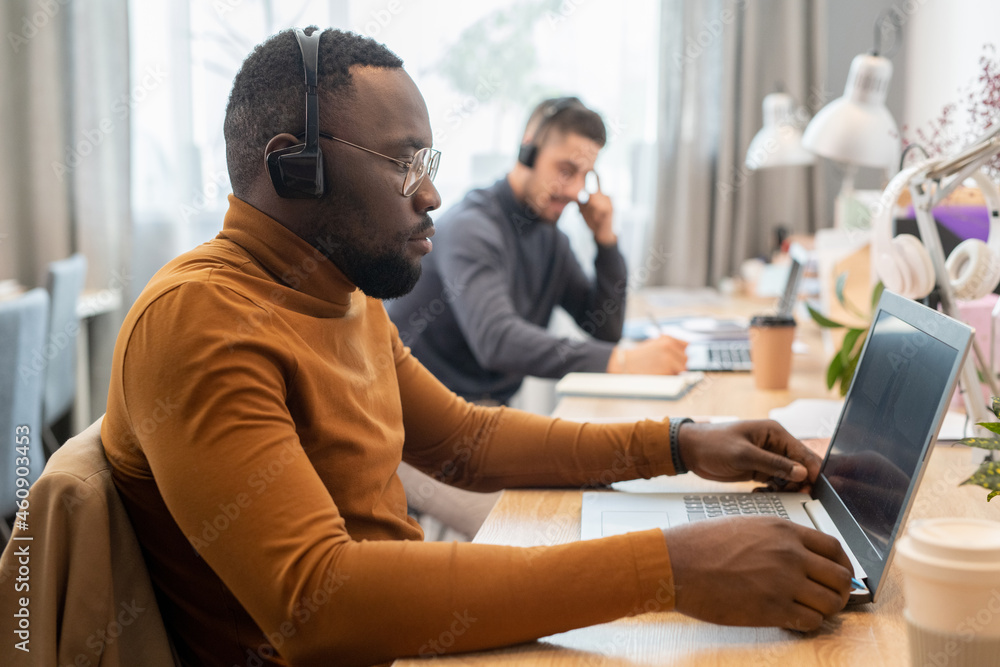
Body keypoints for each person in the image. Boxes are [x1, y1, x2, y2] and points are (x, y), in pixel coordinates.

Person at [101, 27, 853, 666]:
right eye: (404, 163)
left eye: (427, 163)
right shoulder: (200, 319)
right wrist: (668, 568)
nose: (430, 195)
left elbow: (466, 439)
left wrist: (681, 443)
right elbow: (316, 603)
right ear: (294, 166)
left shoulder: (341, 287)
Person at [387, 96, 689, 407]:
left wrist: (606, 241)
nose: (574, 191)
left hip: (480, 412)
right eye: (566, 170)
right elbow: (497, 340)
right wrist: (623, 362)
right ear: (528, 150)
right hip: (422, 420)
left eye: (585, 175)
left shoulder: (550, 237)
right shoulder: (472, 228)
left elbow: (603, 329)